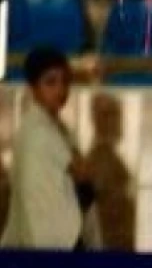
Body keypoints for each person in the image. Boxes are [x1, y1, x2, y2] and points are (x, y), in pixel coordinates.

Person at [2, 48, 99, 251]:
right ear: (33, 88)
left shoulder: (54, 126)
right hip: (49, 241)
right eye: (51, 82)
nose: (60, 90)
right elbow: (82, 173)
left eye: (65, 82)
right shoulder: (38, 130)